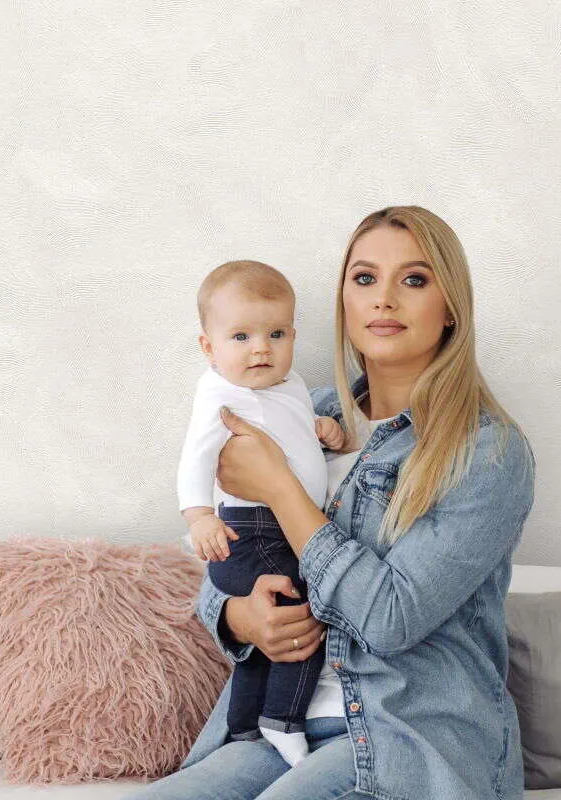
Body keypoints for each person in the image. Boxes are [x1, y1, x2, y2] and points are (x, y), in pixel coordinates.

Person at [131, 205, 536, 799]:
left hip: (405, 738)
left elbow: (391, 619)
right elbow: (226, 555)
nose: (384, 300)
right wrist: (242, 617)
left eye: (414, 280)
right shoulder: (300, 412)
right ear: (344, 302)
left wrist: (282, 489)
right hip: (275, 729)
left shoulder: (485, 452)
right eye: (365, 278)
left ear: (451, 307)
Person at [176, 260, 347, 766]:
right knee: (307, 610)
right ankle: (283, 719)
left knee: (267, 632)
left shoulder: (288, 385)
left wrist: (321, 430)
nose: (261, 349)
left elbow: (287, 433)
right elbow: (196, 457)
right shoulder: (221, 394)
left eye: (276, 334)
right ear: (209, 347)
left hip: (278, 530)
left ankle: (246, 725)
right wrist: (199, 517)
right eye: (241, 336)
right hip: (251, 531)